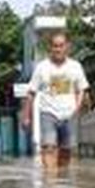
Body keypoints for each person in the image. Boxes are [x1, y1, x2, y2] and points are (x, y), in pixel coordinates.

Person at [22, 32, 90, 169]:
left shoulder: (75, 67)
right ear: (50, 48)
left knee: (66, 151)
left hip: (69, 114)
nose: (58, 49)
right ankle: (50, 185)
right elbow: (31, 93)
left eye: (61, 46)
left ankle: (61, 183)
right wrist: (26, 116)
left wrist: (78, 107)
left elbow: (82, 89)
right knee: (48, 148)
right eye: (55, 46)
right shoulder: (42, 67)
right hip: (48, 113)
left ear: (67, 47)